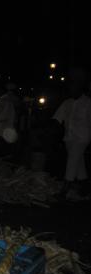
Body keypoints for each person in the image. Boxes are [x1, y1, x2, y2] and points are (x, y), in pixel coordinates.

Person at [52, 66, 91, 200]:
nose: (71, 90)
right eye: (70, 88)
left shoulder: (88, 103)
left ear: (80, 88)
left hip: (82, 138)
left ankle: (65, 189)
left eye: (74, 88)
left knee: (72, 160)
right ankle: (85, 187)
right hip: (69, 137)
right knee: (78, 163)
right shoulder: (67, 102)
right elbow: (57, 119)